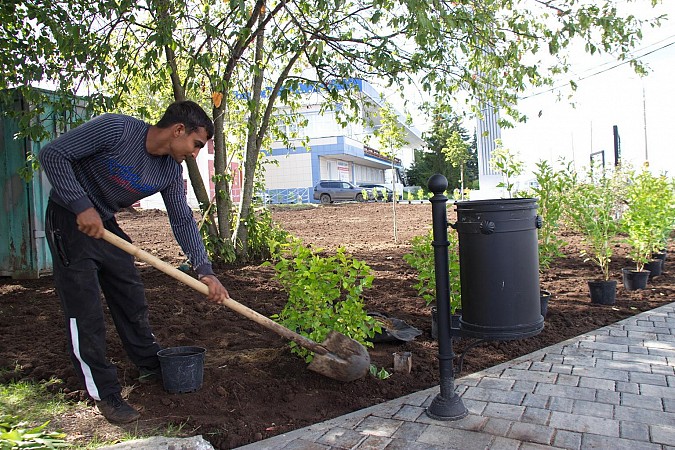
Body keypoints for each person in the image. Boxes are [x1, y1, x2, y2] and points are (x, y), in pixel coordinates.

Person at [39, 100, 230, 424]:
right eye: (197, 145)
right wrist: (80, 204)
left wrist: (205, 270)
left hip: (103, 223)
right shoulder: (117, 130)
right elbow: (53, 155)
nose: (196, 153)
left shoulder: (169, 170)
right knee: (84, 311)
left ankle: (148, 364)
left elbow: (182, 221)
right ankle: (105, 393)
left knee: (130, 295)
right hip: (69, 218)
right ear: (178, 130)